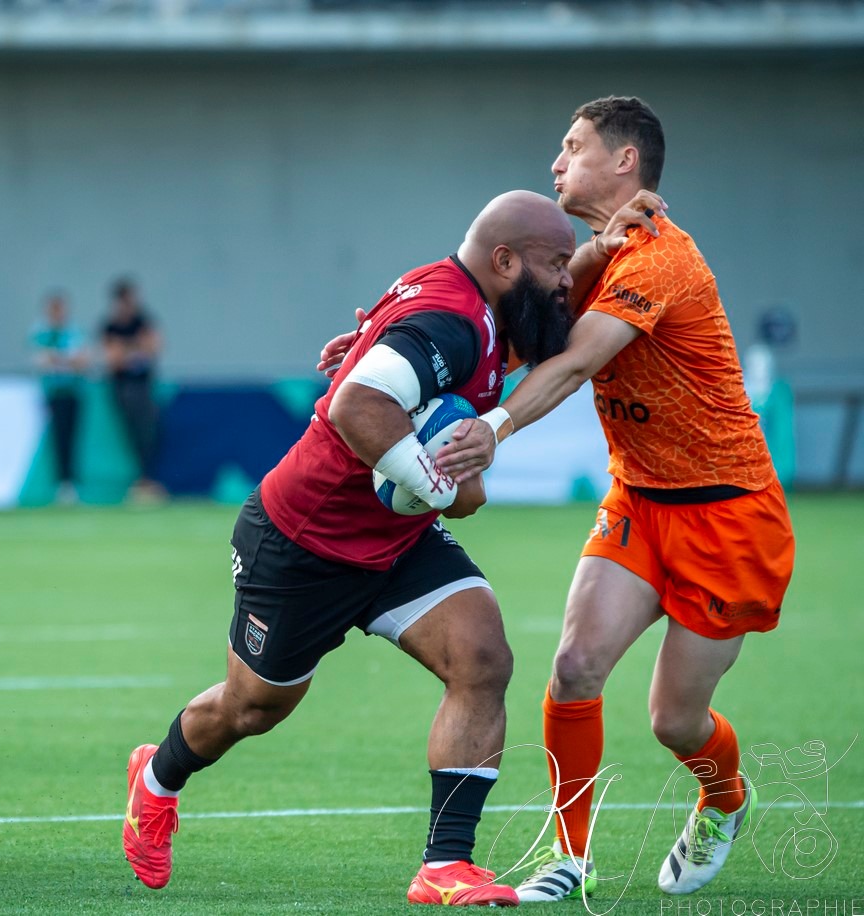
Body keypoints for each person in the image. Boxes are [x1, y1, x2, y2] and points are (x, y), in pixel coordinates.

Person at [123, 190, 578, 907]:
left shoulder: (480, 302)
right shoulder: (453, 320)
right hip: (304, 541)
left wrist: (613, 245)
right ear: (504, 261)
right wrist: (439, 484)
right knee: (252, 708)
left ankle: (446, 865)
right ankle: (156, 778)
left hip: (395, 543)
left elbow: (441, 355)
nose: (565, 282)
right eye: (557, 264)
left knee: (483, 657)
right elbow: (356, 403)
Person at [433, 97, 795, 900]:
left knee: (675, 721)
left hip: (729, 513)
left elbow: (569, 364)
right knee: (573, 667)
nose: (556, 162)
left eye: (573, 146)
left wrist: (493, 428)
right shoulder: (596, 255)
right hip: (639, 500)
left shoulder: (663, 260)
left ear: (625, 161)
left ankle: (726, 798)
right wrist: (381, 342)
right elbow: (511, 333)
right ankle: (570, 857)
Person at [100, 277, 164, 500]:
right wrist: (136, 348)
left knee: (149, 432)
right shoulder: (111, 326)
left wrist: (127, 349)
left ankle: (148, 480)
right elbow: (113, 360)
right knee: (133, 434)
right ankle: (140, 481)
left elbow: (154, 348)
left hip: (144, 385)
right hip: (123, 387)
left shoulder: (143, 321)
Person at [30, 290, 88, 503]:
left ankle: (71, 482)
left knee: (73, 437)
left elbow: (82, 361)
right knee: (57, 438)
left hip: (73, 392)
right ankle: (60, 483)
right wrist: (66, 360)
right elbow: (41, 361)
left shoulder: (73, 332)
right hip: (53, 393)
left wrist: (58, 359)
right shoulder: (42, 333)